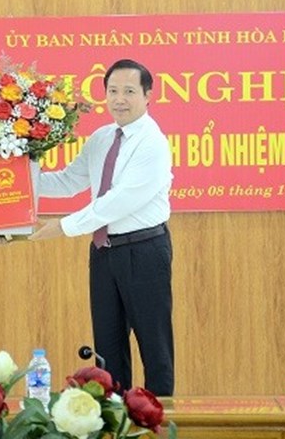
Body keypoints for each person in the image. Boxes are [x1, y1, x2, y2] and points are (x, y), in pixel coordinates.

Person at [29, 59, 174, 396]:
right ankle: (115, 423)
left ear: (148, 95)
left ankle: (159, 425)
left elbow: (117, 203)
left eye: (128, 91)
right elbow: (68, 181)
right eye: (112, 91)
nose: (119, 99)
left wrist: (61, 227)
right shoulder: (101, 137)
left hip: (144, 252)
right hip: (104, 253)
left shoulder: (152, 142)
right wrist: (17, 179)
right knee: (107, 349)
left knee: (155, 349)